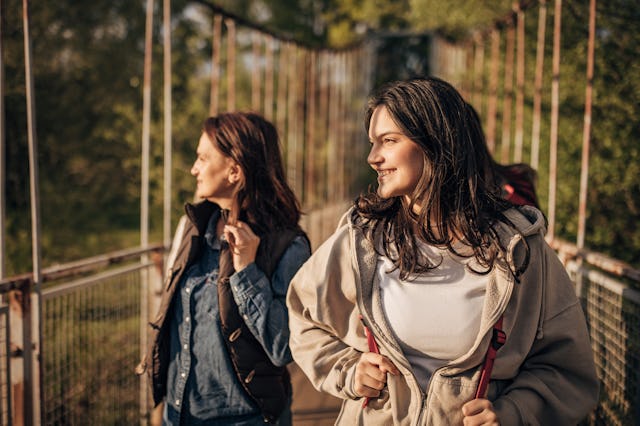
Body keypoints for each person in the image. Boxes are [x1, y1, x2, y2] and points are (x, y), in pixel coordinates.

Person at [286, 77, 599, 425]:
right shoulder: (361, 241)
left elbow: (566, 368)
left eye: (388, 141)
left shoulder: (520, 250)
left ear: (435, 143)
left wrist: (513, 413)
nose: (373, 157)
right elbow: (304, 316)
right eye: (373, 143)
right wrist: (349, 370)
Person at [136, 112, 311, 425]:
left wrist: (246, 272)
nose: (194, 169)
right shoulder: (192, 228)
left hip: (245, 419)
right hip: (177, 415)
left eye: (203, 158)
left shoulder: (287, 246)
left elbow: (284, 347)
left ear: (235, 171)